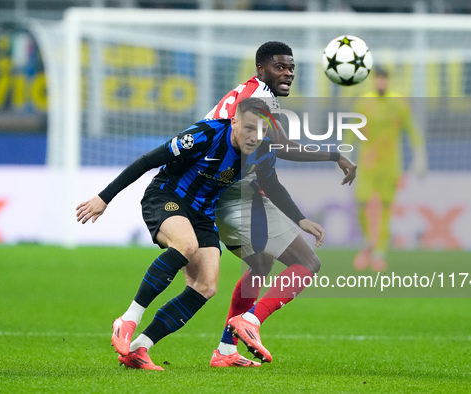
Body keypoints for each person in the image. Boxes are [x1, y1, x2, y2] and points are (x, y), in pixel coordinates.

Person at [76, 98, 323, 370]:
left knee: (206, 286)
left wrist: (300, 220)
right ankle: (128, 318)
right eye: (249, 128)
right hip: (166, 197)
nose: (255, 136)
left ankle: (139, 348)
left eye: (261, 130)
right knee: (186, 244)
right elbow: (148, 160)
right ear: (235, 122)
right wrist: (104, 197)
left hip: (203, 214)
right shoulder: (205, 135)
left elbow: (271, 184)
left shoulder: (262, 150)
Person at [204, 41, 357, 367]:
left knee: (259, 265)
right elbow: (284, 147)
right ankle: (251, 321)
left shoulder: (249, 92)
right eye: (279, 67)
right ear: (261, 68)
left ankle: (225, 350)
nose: (287, 73)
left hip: (218, 189)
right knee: (307, 262)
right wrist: (335, 154)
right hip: (233, 192)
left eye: (291, 68)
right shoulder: (257, 98)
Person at [351, 67, 427, 272]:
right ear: (374, 81)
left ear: (388, 81)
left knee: (385, 210)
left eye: (384, 79)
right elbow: (350, 132)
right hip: (366, 165)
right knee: (360, 206)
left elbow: (413, 130)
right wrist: (344, 157)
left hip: (390, 167)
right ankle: (368, 242)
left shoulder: (399, 103)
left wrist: (419, 155)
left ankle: (379, 253)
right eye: (378, 79)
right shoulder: (363, 103)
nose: (381, 83)